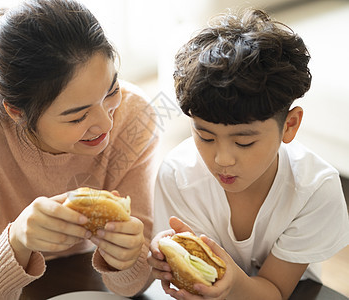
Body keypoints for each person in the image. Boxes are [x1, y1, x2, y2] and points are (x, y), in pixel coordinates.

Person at [0, 0, 159, 298]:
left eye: (111, 91)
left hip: (85, 257)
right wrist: (17, 239)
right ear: (17, 112)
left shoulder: (134, 116)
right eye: (77, 116)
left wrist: (129, 258)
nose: (106, 123)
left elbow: (135, 284)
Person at [148, 8, 349, 300]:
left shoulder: (314, 190)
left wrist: (230, 283)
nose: (222, 160)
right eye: (204, 136)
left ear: (289, 125)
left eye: (244, 142)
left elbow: (275, 291)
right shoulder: (178, 176)